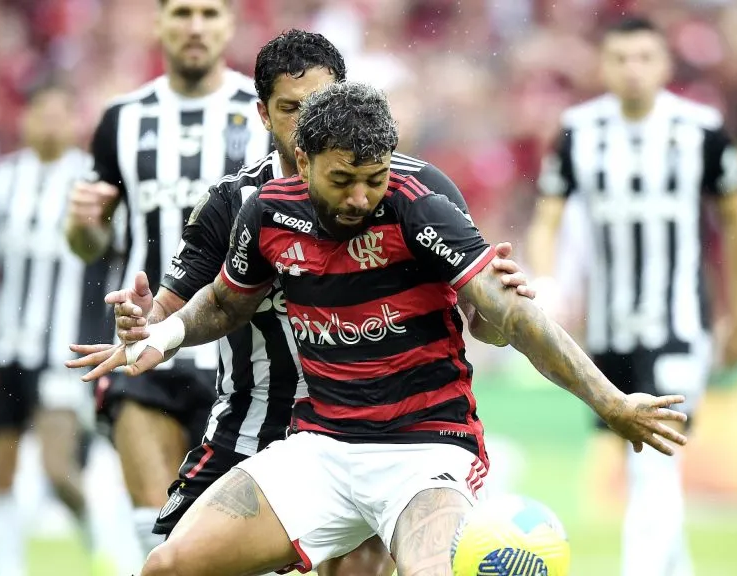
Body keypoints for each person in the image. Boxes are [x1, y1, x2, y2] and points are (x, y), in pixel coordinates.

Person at [69, 81, 689, 576]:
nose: (361, 197)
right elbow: (226, 305)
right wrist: (162, 335)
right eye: (342, 179)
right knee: (169, 566)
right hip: (321, 449)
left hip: (426, 451)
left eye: (375, 177)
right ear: (303, 160)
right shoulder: (266, 213)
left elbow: (511, 317)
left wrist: (612, 402)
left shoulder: (418, 206)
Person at [100, 29, 534, 576]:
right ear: (263, 114)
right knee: (168, 563)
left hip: (374, 427)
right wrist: (145, 324)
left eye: (319, 102)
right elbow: (181, 309)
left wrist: (498, 310)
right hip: (253, 424)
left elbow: (480, 319)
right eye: (290, 107)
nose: (307, 119)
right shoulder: (236, 204)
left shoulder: (409, 191)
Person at [526, 16, 737, 576]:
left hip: (679, 324)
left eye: (645, 58)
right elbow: (547, 218)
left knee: (656, 461)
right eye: (621, 59)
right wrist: (547, 284)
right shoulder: (579, 132)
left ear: (665, 66)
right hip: (608, 329)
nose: (633, 70)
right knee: (643, 464)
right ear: (603, 66)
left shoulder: (701, 129)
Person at [65, 0, 272, 556]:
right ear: (158, 24)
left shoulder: (264, 115)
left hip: (244, 355)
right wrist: (83, 224)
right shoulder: (121, 118)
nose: (196, 27)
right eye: (182, 12)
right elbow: (92, 242)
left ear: (230, 24)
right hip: (144, 344)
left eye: (210, 13)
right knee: (157, 530)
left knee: (227, 546)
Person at [0, 83, 124, 576]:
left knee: (58, 467)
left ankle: (111, 548)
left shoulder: (94, 181)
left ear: (75, 121)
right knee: (3, 470)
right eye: (42, 114)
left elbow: (113, 252)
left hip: (66, 345)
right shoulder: (2, 178)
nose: (51, 124)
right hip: (4, 345)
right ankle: (8, 566)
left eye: (61, 114)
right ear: (26, 120)